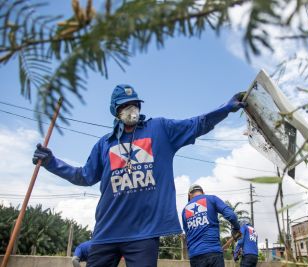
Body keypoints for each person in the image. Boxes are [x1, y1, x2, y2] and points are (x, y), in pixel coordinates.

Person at [32, 84, 246, 267]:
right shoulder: (104, 145)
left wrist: (225, 109)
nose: (131, 109)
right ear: (115, 110)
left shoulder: (160, 130)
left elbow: (197, 124)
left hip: (143, 235)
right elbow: (83, 176)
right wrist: (51, 163)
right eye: (125, 105)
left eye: (135, 103)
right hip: (106, 233)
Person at [182, 184, 241, 267]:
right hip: (214, 253)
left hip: (195, 256)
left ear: (189, 195)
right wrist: (236, 228)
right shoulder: (211, 199)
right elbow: (231, 215)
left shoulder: (184, 210)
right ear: (203, 192)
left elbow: (187, 234)